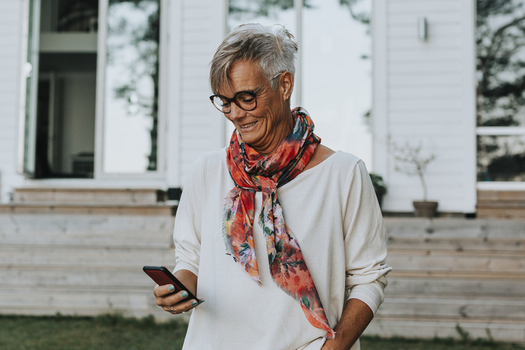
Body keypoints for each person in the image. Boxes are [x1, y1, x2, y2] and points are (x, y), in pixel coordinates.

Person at [152, 23, 391, 350]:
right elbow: (190, 259)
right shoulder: (207, 170)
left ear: (284, 84)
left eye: (246, 98)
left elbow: (369, 279)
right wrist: (177, 288)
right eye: (224, 101)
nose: (235, 113)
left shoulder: (344, 174)